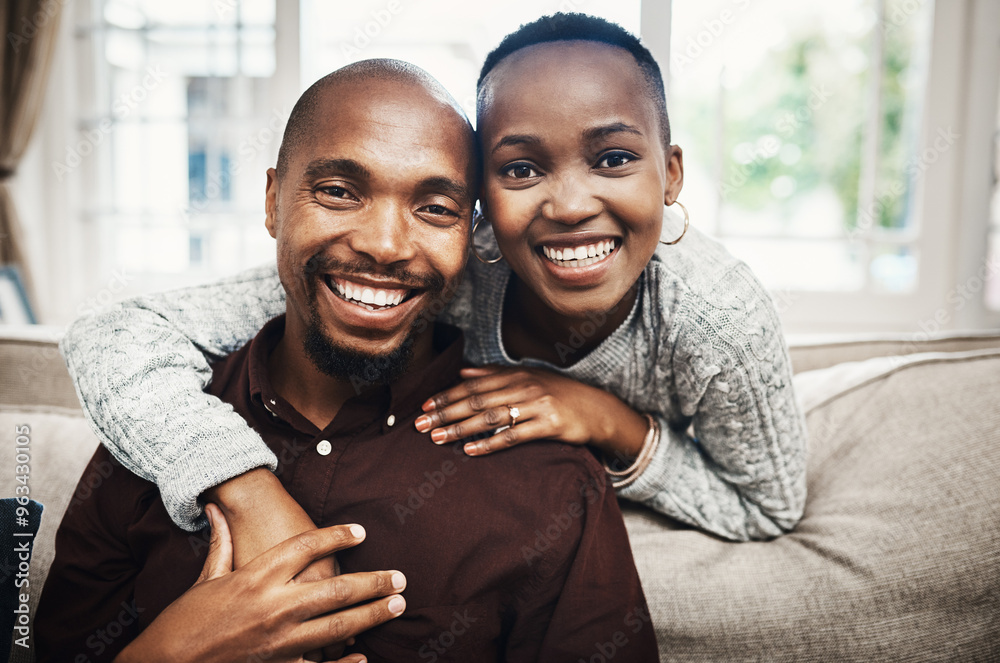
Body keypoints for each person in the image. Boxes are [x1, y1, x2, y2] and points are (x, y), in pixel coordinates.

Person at [61, 14, 805, 555]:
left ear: (670, 173)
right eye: (521, 168)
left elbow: (770, 506)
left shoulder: (717, 318)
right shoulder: (442, 262)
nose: (571, 205)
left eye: (613, 159)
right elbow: (114, 334)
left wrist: (609, 421)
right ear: (479, 201)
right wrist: (246, 486)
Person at [36, 60, 657, 662]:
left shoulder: (549, 478)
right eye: (338, 192)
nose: (385, 245)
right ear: (274, 200)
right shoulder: (157, 423)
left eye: (435, 208)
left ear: (472, 234)